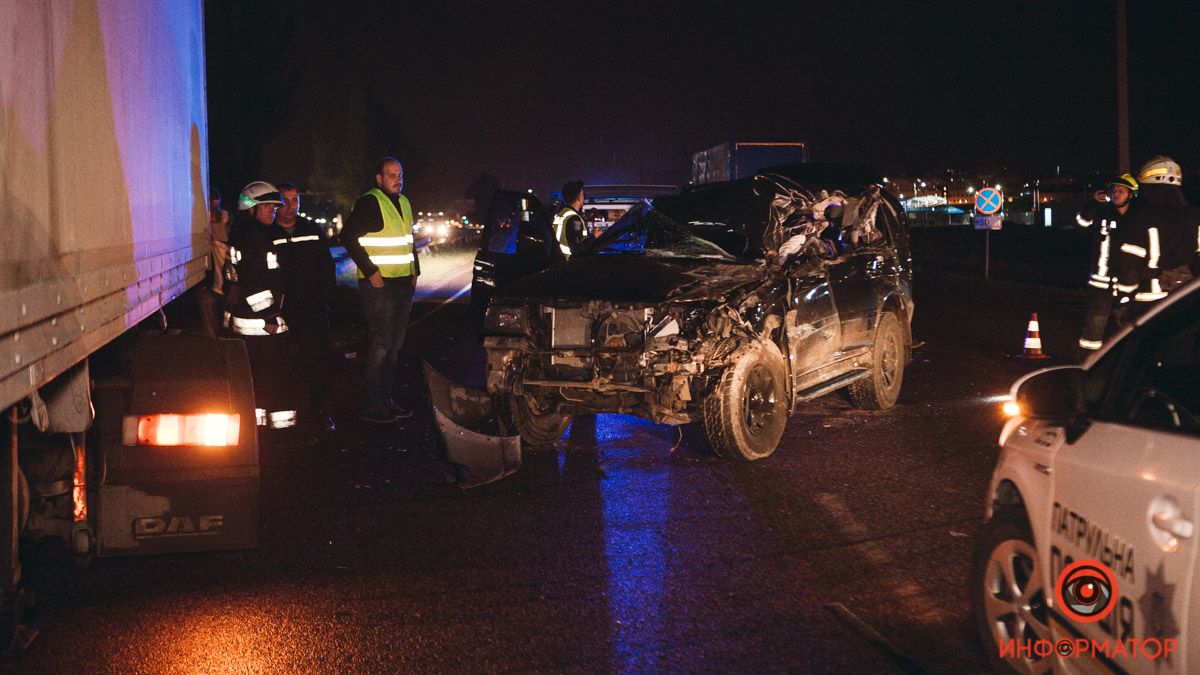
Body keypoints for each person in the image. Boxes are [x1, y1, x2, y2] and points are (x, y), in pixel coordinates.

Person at [341, 157, 420, 423]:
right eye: (391, 175)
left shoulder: (405, 202)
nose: (397, 179)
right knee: (382, 344)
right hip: (379, 285)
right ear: (379, 178)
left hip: (401, 284)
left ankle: (387, 400)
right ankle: (372, 405)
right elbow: (348, 237)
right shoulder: (370, 202)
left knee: (394, 346)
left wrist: (414, 271)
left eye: (400, 174)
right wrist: (370, 270)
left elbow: (408, 240)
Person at [224, 181, 299, 432]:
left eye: (274, 207)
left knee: (256, 380)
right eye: (266, 206)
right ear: (251, 210)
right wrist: (270, 316)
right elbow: (255, 284)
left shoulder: (248, 235)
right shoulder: (254, 239)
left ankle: (259, 431)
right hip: (261, 326)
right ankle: (279, 431)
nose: (273, 211)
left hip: (250, 323)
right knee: (273, 378)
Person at [271, 182, 337, 436]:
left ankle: (322, 413)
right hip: (283, 311)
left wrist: (327, 299)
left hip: (313, 309)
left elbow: (326, 267)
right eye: (286, 201)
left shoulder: (311, 230)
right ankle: (288, 420)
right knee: (285, 366)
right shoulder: (268, 234)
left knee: (318, 363)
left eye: (295, 200)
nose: (291, 206)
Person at [1112, 156, 1196, 325]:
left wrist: (1123, 302)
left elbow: (1128, 266)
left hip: (1147, 305)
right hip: (1188, 302)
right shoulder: (1195, 215)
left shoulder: (1139, 217)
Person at [1076, 173, 1137, 355]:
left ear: (1130, 194)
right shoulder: (1102, 212)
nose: (1116, 194)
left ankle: (1123, 365)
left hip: (1128, 284)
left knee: (1126, 328)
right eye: (1114, 190)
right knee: (1093, 331)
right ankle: (1086, 367)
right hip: (1101, 283)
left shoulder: (1138, 217)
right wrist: (1092, 204)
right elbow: (1082, 222)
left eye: (1121, 191)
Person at [197, 187, 231, 338]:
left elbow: (224, 234)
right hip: (213, 282)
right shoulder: (201, 219)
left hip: (224, 280)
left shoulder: (224, 216)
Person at [553, 180, 587, 258]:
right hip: (570, 262)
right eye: (583, 195)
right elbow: (577, 248)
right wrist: (594, 237)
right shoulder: (574, 219)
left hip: (559, 259)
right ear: (579, 197)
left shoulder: (561, 214)